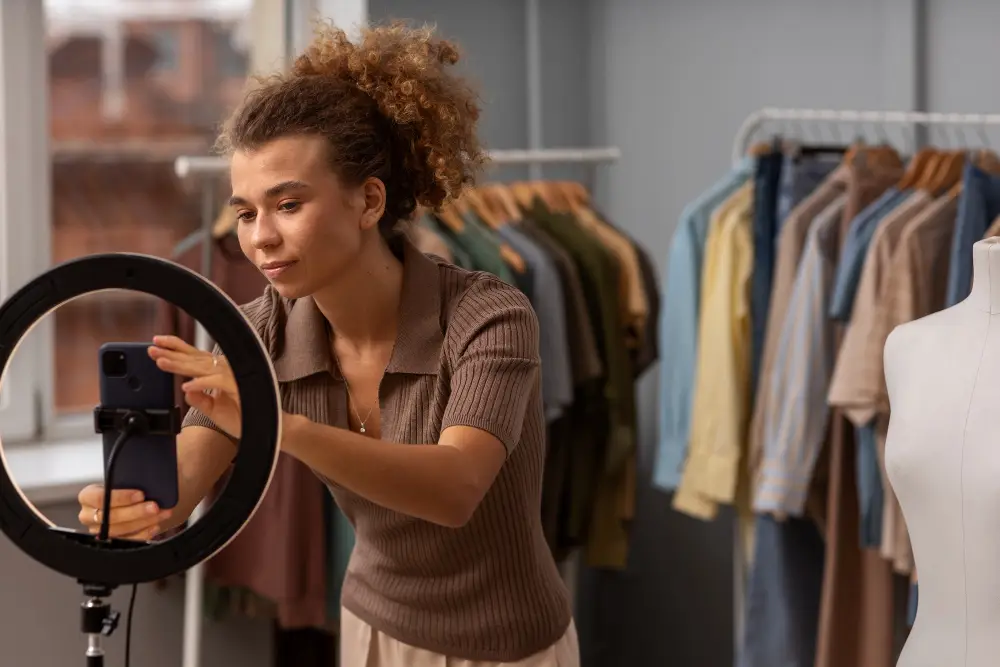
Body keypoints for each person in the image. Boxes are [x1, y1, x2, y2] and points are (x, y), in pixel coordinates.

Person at [75, 20, 577, 667]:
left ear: (368, 201)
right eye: (248, 211)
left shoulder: (489, 315)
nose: (260, 238)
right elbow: (186, 477)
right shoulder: (261, 330)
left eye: (287, 205)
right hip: (372, 630)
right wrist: (133, 503)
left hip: (511, 645)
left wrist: (276, 423)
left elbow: (455, 489)